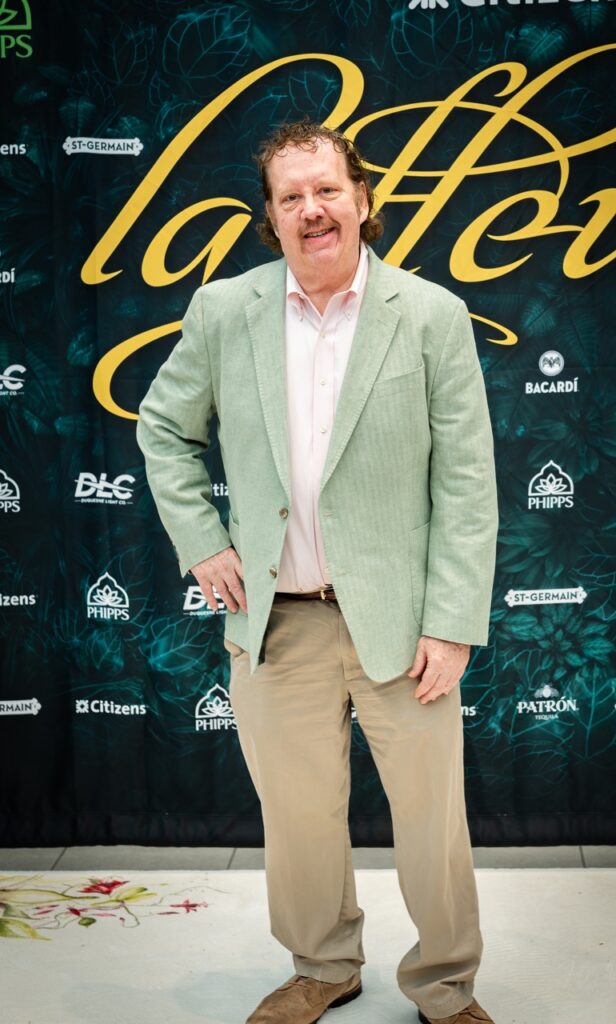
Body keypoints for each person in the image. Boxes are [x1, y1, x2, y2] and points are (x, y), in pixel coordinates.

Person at [136, 119, 498, 1024]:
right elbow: (163, 429)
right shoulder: (227, 311)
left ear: (362, 199)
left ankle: (446, 988)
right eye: (290, 196)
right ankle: (323, 966)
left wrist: (451, 622)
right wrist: (202, 540)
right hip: (276, 621)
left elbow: (465, 481)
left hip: (403, 625)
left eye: (327, 190)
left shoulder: (430, 315)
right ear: (271, 216)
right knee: (298, 824)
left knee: (431, 825)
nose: (312, 210)